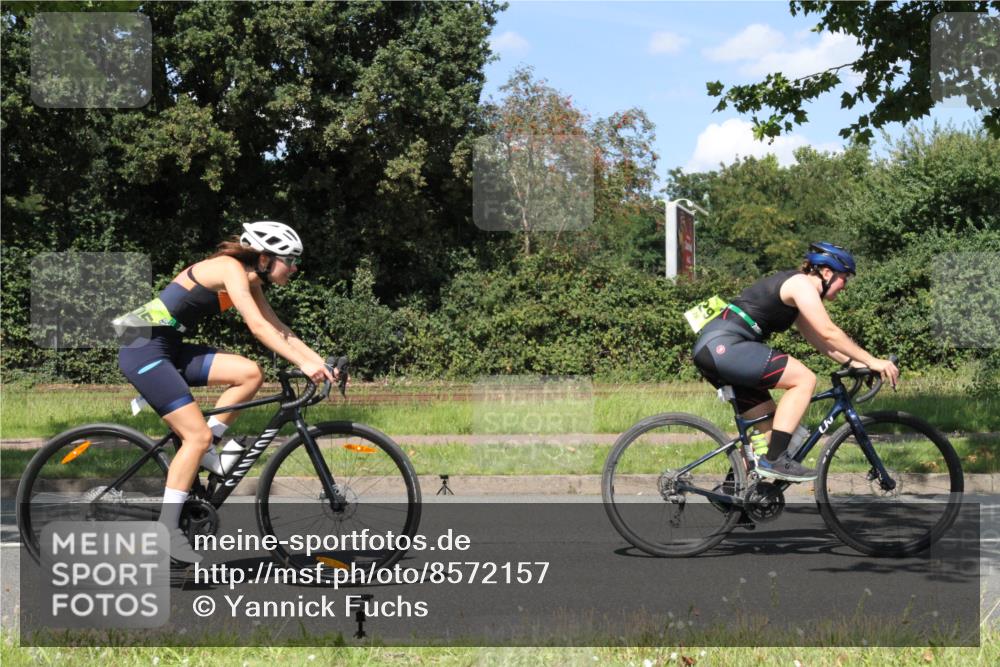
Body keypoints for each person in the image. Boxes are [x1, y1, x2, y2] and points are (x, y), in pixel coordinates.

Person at [116, 221, 336, 563]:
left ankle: (206, 452)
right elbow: (259, 327)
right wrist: (304, 365)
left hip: (168, 346)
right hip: (142, 347)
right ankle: (167, 530)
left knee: (250, 373)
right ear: (264, 258)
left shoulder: (251, 280)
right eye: (289, 260)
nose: (294, 268)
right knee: (196, 436)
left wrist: (320, 364)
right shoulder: (230, 268)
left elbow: (281, 330)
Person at [691, 242, 899, 482]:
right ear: (827, 272)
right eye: (845, 278)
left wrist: (855, 364)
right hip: (724, 347)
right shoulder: (800, 285)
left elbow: (823, 342)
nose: (845, 286)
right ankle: (776, 461)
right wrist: (874, 361)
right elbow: (829, 331)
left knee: (771, 434)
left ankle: (732, 495)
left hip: (717, 351)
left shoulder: (797, 298)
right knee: (804, 379)